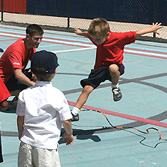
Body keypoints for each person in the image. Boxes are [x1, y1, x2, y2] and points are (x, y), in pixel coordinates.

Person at [71, 18, 163, 121]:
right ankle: (75, 112)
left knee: (113, 68)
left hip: (116, 66)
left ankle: (115, 88)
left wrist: (152, 29)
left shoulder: (119, 37)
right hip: (99, 68)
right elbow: (87, 34)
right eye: (93, 39)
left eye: (97, 40)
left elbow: (136, 33)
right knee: (87, 89)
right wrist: (80, 33)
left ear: (107, 34)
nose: (95, 41)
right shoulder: (96, 36)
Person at [16, 50, 74, 167]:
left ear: (32, 72)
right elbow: (66, 120)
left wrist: (21, 133)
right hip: (46, 146)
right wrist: (69, 133)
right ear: (55, 71)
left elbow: (20, 118)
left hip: (27, 143)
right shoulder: (57, 94)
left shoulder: (24, 94)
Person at [0, 24, 44, 110]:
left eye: (41, 39)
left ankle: (18, 98)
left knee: (37, 73)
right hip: (2, 79)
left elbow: (37, 64)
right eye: (36, 39)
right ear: (28, 36)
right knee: (4, 106)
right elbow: (18, 75)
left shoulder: (30, 47)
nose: (39, 41)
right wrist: (34, 85)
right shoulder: (16, 49)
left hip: (10, 77)